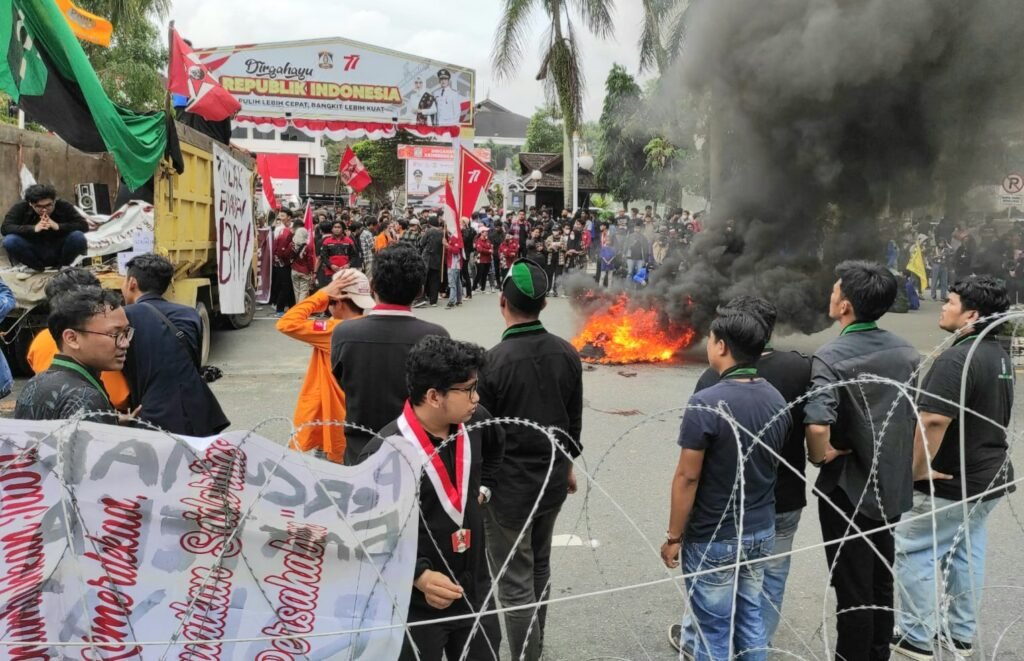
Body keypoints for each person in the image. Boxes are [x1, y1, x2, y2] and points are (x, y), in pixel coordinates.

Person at [669, 297, 811, 655]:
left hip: (715, 533)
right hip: (761, 530)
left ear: (722, 346)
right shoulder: (776, 399)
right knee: (751, 622)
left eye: (711, 339)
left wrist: (673, 536)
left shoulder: (707, 401)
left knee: (712, 631)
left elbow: (687, 477)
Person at [891, 275, 1014, 660]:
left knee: (915, 550)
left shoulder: (957, 357)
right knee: (965, 552)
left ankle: (914, 635)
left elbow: (932, 421)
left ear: (970, 314)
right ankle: (959, 633)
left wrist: (916, 470)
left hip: (951, 480)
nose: (942, 306)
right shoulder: (997, 353)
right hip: (988, 476)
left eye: (950, 301)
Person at [361, 336, 504, 661]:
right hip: (416, 604)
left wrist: (484, 489)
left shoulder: (477, 421)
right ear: (434, 396)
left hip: (474, 589)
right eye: (467, 389)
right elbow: (368, 535)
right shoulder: (385, 452)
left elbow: (497, 450)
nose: (476, 397)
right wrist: (418, 575)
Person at [804, 260, 920, 661]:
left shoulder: (832, 356)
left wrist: (821, 456)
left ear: (845, 306)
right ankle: (876, 653)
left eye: (836, 290)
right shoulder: (906, 351)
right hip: (891, 487)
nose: (831, 294)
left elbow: (818, 424)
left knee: (852, 589)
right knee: (880, 578)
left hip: (847, 491)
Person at [478, 259, 583, 661]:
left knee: (515, 579)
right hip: (552, 481)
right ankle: (533, 647)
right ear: (543, 304)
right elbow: (571, 424)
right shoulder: (566, 354)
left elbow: (485, 436)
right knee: (540, 566)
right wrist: (567, 466)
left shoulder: (493, 362)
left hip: (508, 491)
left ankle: (526, 655)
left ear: (503, 301)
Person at [331, 243, 449, 464]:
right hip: (418, 453)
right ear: (420, 290)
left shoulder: (344, 333)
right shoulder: (435, 336)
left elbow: (343, 382)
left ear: (373, 285)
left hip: (361, 452)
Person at [121, 253, 229, 436]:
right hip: (196, 412)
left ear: (132, 282)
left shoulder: (124, 317)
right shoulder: (190, 315)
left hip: (152, 416)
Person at [276, 269, 373, 463]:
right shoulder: (367, 326)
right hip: (354, 419)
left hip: (334, 424)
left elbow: (287, 323)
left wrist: (321, 294)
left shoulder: (334, 331)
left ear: (337, 302)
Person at [15, 287, 128, 421]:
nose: (125, 343)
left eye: (126, 333)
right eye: (115, 334)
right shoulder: (87, 398)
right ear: (72, 338)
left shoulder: (34, 383)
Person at [2, 183, 88, 271]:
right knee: (10, 240)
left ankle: (63, 267)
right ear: (31, 204)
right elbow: (5, 228)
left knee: (78, 236)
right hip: (33, 251)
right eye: (39, 206)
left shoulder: (63, 205)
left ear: (54, 201)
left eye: (48, 205)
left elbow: (83, 226)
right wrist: (33, 228)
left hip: (59, 250)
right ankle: (36, 268)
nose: (44, 210)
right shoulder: (21, 207)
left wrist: (58, 226)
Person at [271, 209, 295, 316]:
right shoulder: (279, 229)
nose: (280, 217)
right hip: (281, 262)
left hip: (290, 262)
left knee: (289, 285)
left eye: (283, 215)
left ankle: (291, 307)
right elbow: (279, 247)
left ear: (289, 217)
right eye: (279, 215)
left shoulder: (292, 227)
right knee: (284, 285)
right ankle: (280, 309)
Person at [419, 216, 445, 307]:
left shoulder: (429, 231)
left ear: (430, 223)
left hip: (427, 258)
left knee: (424, 279)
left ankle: (421, 298)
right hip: (438, 258)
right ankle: (433, 300)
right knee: (434, 280)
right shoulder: (442, 233)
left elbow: (421, 243)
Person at [289, 222, 316, 303]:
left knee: (296, 291)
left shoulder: (292, 244)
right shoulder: (308, 246)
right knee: (304, 292)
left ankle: (297, 308)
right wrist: (312, 271)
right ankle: (300, 309)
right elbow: (310, 260)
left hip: (294, 269)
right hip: (305, 271)